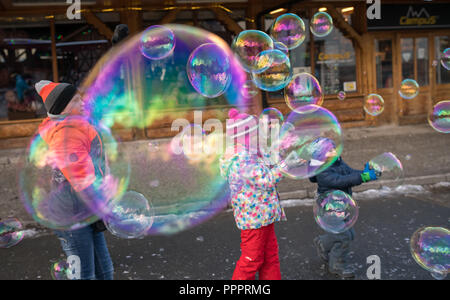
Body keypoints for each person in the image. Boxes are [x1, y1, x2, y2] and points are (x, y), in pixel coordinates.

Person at [34, 80, 114, 280]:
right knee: (86, 275)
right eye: (77, 100)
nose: (83, 102)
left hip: (84, 208)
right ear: (64, 108)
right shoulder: (66, 135)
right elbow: (81, 179)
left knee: (105, 272)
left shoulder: (76, 126)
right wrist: (105, 201)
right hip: (72, 215)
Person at [220, 108, 286, 280]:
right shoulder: (242, 160)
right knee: (252, 260)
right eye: (257, 133)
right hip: (253, 220)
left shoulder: (252, 152)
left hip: (264, 214)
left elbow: (268, 160)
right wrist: (286, 166)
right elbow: (266, 179)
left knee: (270, 257)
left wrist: (281, 155)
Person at [309, 138, 378, 278]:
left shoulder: (337, 161)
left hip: (342, 205)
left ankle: (323, 243)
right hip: (329, 207)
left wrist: (365, 174)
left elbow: (350, 173)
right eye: (330, 150)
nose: (335, 151)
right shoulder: (322, 171)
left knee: (349, 234)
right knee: (344, 236)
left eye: (334, 148)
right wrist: (362, 177)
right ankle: (337, 266)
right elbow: (339, 181)